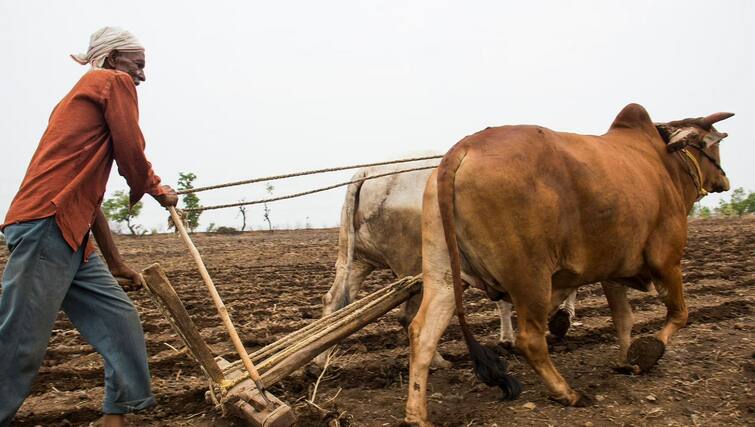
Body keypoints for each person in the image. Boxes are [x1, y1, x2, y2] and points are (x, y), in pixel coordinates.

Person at [0, 27, 177, 427]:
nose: (143, 76)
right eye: (139, 65)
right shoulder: (110, 81)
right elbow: (131, 149)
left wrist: (115, 262)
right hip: (45, 225)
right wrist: (155, 187)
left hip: (69, 232)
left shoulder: (84, 101)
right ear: (114, 59)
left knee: (120, 321)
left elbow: (88, 202)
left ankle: (115, 418)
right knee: (20, 340)